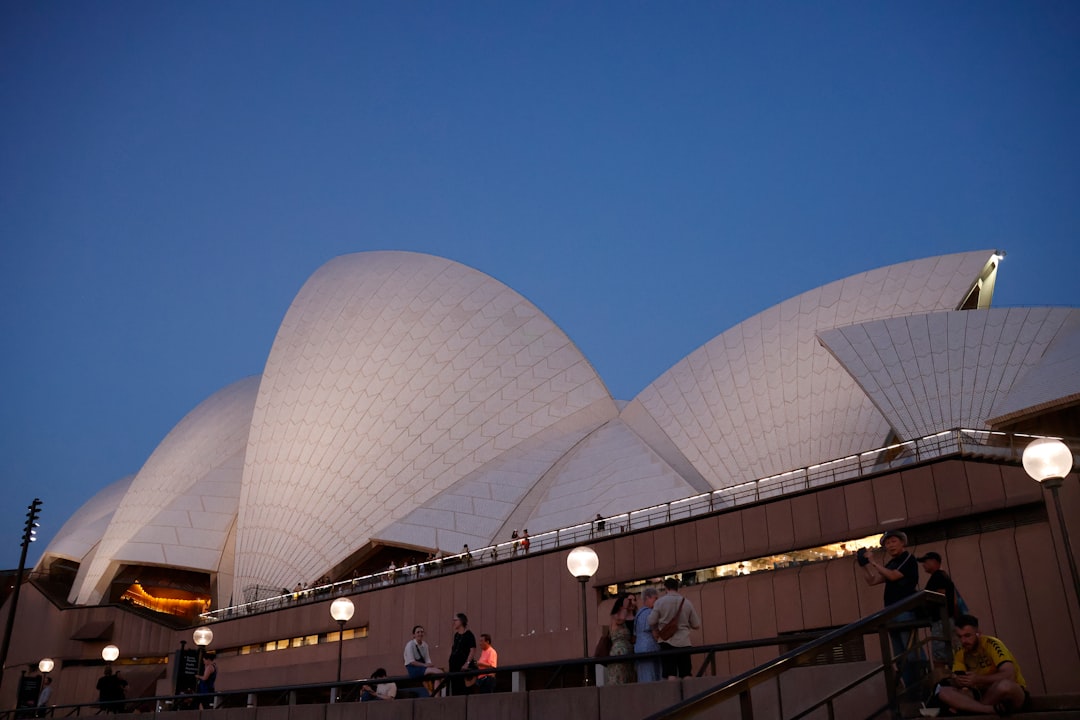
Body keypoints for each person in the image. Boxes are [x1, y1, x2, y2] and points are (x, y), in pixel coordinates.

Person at [858, 530, 921, 689]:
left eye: (893, 541)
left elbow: (893, 576)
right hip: (891, 611)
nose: (890, 545)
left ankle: (921, 687)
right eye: (887, 543)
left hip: (905, 610)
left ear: (902, 543)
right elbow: (873, 581)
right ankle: (910, 689)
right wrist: (864, 566)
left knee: (911, 652)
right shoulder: (891, 563)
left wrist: (873, 562)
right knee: (899, 655)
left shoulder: (908, 558)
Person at [935, 614, 1028, 715]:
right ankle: (988, 710)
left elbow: (1009, 675)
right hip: (981, 694)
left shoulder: (992, 644)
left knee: (1004, 686)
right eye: (959, 637)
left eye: (967, 636)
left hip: (1007, 693)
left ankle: (974, 711)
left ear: (978, 633)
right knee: (944, 692)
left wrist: (978, 679)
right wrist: (958, 680)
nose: (963, 641)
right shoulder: (960, 651)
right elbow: (959, 678)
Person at [647, 577, 701, 680]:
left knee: (670, 673)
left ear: (666, 587)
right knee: (686, 673)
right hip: (684, 641)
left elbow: (651, 621)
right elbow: (696, 625)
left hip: (666, 641)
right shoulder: (687, 603)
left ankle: (672, 695)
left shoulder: (660, 602)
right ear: (677, 587)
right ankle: (688, 694)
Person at [917, 551, 958, 671]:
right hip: (944, 620)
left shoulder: (938, 576)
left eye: (926, 561)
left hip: (941, 621)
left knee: (939, 659)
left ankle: (942, 686)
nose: (923, 564)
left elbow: (940, 595)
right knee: (951, 655)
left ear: (934, 562)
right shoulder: (942, 575)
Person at [605, 596, 635, 685]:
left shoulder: (625, 623)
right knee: (619, 678)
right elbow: (621, 619)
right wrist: (625, 606)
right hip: (618, 651)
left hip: (628, 653)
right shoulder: (615, 617)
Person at [633, 587, 662, 682]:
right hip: (650, 647)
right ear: (647, 598)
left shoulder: (638, 614)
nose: (657, 601)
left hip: (639, 648)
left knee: (643, 676)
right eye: (655, 598)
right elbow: (654, 631)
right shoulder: (650, 613)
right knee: (653, 676)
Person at [403, 625, 440, 695]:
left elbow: (427, 659)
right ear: (414, 635)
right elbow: (412, 662)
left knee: (438, 673)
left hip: (422, 667)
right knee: (439, 672)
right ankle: (436, 695)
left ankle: (434, 694)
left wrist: (430, 665)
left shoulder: (425, 645)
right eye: (418, 632)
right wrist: (426, 665)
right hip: (413, 668)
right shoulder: (410, 645)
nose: (420, 634)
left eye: (422, 632)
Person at [448, 613, 477, 696]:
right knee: (455, 689)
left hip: (462, 667)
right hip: (454, 667)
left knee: (463, 689)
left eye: (455, 620)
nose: (454, 622)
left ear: (461, 621)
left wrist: (467, 663)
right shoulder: (456, 635)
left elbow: (472, 650)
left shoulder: (468, 635)